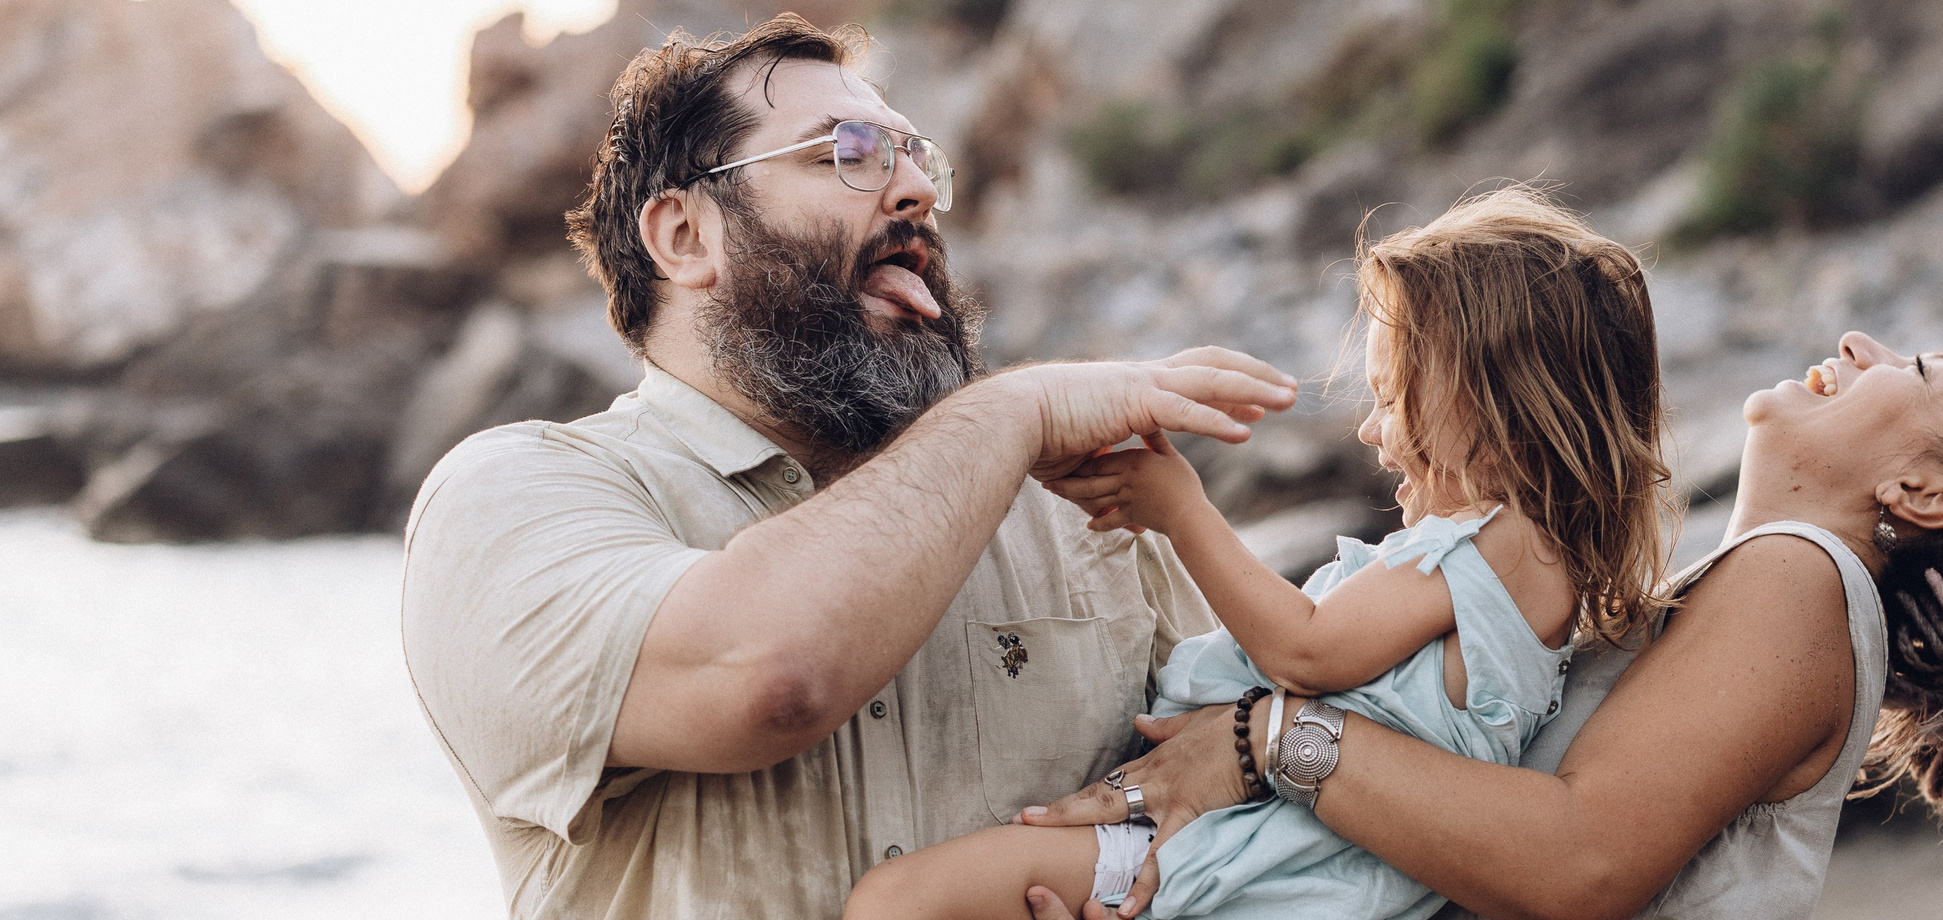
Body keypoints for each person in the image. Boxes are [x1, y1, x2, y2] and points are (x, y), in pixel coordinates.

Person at [397, 15, 1297, 920]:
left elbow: (1261, 794)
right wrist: (1012, 407)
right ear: (683, 235)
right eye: (848, 154)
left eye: (916, 160)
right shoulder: (511, 499)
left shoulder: (1084, 512)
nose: (914, 192)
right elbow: (766, 673)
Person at [1020, 330, 1943, 920]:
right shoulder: (1757, 588)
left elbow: (1579, 864)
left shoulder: (1801, 580)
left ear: (1921, 494)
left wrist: (1272, 740)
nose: (1859, 344)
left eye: (1918, 370)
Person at [840, 189, 1673, 918]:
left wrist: (1182, 511)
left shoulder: (1500, 546)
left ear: (1500, 410)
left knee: (897, 902)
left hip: (1256, 858)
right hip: (1280, 849)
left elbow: (1305, 649)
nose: (1372, 431)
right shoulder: (1531, 563)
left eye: (1395, 400)